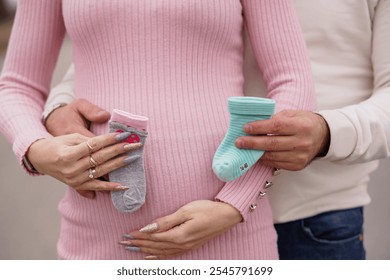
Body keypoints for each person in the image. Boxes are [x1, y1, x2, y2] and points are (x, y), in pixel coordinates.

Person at [44, 0, 390, 260]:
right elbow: (125, 41)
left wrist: (327, 132)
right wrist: (58, 107)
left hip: (312, 218)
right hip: (171, 210)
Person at [0, 0, 316, 259]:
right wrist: (38, 150)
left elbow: (294, 83)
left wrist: (235, 202)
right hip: (98, 240)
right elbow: (16, 85)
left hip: (232, 240)